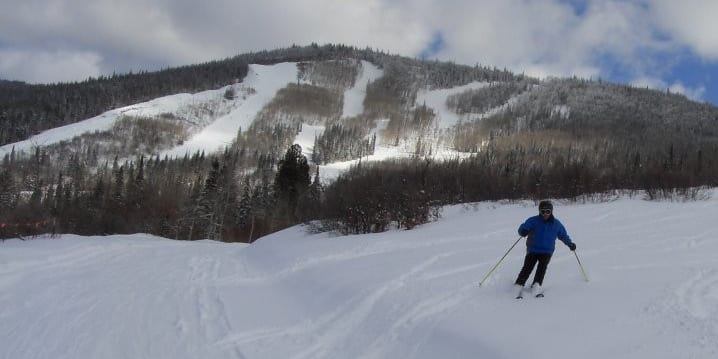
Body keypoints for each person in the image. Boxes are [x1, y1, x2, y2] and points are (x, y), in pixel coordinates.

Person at [514, 200, 576, 298]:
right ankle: (518, 286)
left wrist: (570, 244)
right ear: (539, 211)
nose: (545, 214)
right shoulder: (533, 220)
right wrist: (523, 231)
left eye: (548, 211)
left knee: (542, 269)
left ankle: (536, 286)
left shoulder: (556, 224)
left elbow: (563, 235)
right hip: (533, 250)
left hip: (547, 251)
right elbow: (523, 227)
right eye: (543, 211)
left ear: (551, 211)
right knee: (527, 268)